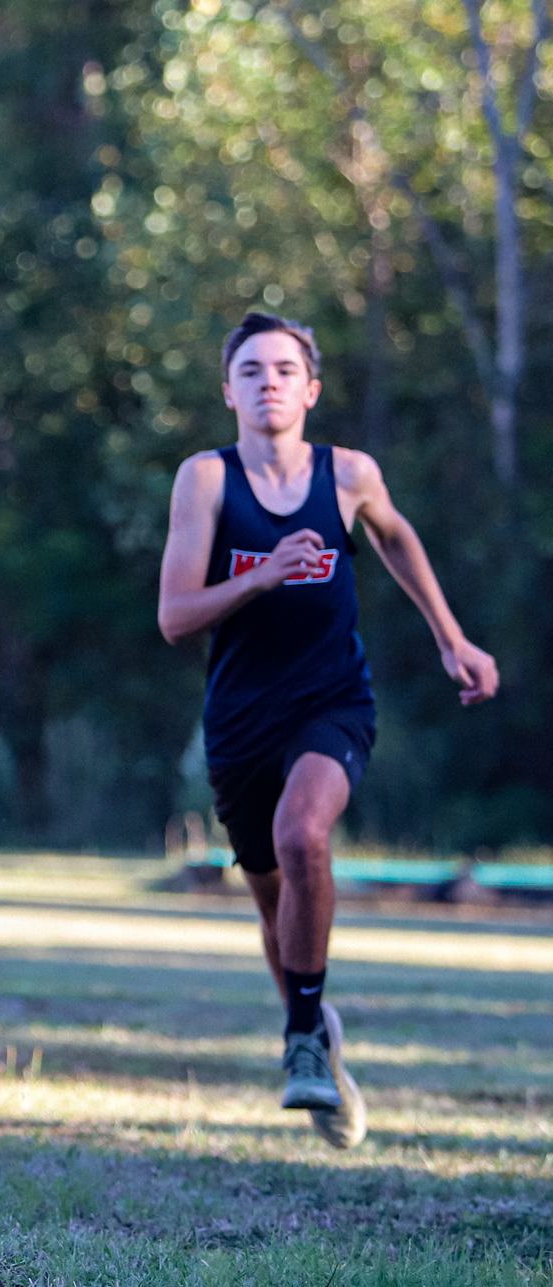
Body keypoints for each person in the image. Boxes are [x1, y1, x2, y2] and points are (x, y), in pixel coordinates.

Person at [156, 312, 499, 1150]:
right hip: (239, 722)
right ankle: (317, 1034)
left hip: (332, 702)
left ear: (311, 389)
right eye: (250, 370)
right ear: (227, 389)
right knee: (276, 909)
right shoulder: (205, 480)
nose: (267, 381)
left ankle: (302, 1034)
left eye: (283, 369)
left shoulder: (347, 474)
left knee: (304, 834)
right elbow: (173, 617)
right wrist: (263, 575)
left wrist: (451, 638)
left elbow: (397, 535)